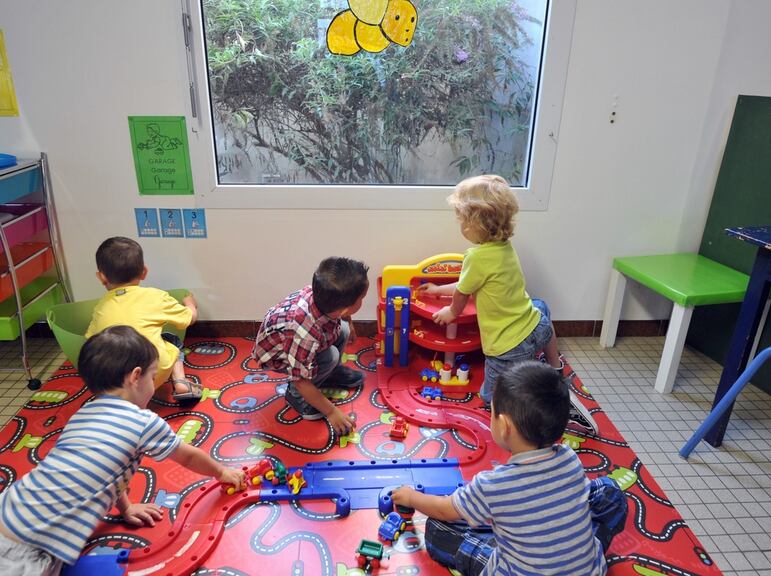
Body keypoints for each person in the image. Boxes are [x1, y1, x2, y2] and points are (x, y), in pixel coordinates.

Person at [0, 326, 246, 575]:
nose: (154, 383)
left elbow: (107, 471)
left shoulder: (85, 412)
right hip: (26, 551)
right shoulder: (142, 422)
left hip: (9, 508)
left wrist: (126, 508)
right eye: (153, 376)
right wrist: (222, 471)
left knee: (14, 523)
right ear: (135, 377)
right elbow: (189, 455)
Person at [391, 362, 627, 576]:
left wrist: (412, 497)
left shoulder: (493, 485)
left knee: (437, 529)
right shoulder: (570, 458)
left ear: (504, 426)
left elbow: (444, 511)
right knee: (610, 491)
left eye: (491, 412)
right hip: (588, 571)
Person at [419, 174, 598, 433]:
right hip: (536, 325)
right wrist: (438, 290)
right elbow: (468, 282)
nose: (460, 225)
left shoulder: (476, 256)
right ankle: (555, 368)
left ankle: (557, 408)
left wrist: (451, 311)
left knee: (491, 398)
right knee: (541, 308)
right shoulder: (503, 245)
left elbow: (463, 292)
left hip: (507, 346)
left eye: (462, 220)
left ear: (476, 224)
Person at [251, 257, 369, 434]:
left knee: (342, 330)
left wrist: (349, 322)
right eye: (361, 299)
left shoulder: (325, 296)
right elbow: (300, 379)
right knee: (330, 356)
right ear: (345, 308)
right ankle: (295, 397)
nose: (363, 301)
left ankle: (329, 374)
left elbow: (341, 313)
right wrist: (331, 412)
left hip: (303, 341)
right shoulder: (303, 331)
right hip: (280, 355)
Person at [85, 236, 200, 402]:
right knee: (172, 339)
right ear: (144, 272)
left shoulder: (101, 306)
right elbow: (189, 319)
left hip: (115, 382)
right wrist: (190, 303)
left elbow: (91, 339)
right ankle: (180, 381)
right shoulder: (155, 297)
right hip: (153, 373)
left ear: (101, 277)